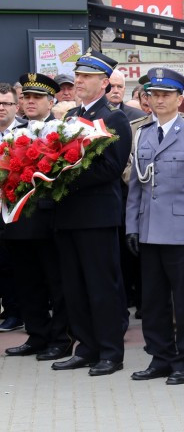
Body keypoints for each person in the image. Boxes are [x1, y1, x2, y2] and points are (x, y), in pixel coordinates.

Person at [125, 68, 184, 385]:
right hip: (149, 230)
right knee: (153, 300)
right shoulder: (143, 134)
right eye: (154, 94)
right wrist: (131, 226)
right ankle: (159, 357)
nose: (159, 100)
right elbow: (137, 185)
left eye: (165, 94)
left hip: (182, 231)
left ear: (179, 98)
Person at [52, 50, 133, 376]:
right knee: (74, 287)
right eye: (77, 76)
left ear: (103, 82)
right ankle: (85, 347)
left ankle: (111, 353)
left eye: (85, 77)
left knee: (102, 287)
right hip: (69, 215)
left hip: (97, 217)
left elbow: (112, 168)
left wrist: (63, 176)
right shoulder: (70, 117)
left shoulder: (114, 119)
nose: (78, 81)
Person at [2, 74, 71, 360]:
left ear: (51, 102)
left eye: (37, 98)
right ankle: (37, 334)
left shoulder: (62, 132)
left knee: (56, 282)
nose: (30, 102)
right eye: (26, 98)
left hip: (50, 219)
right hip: (18, 221)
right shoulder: (13, 133)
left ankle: (61, 338)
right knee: (26, 282)